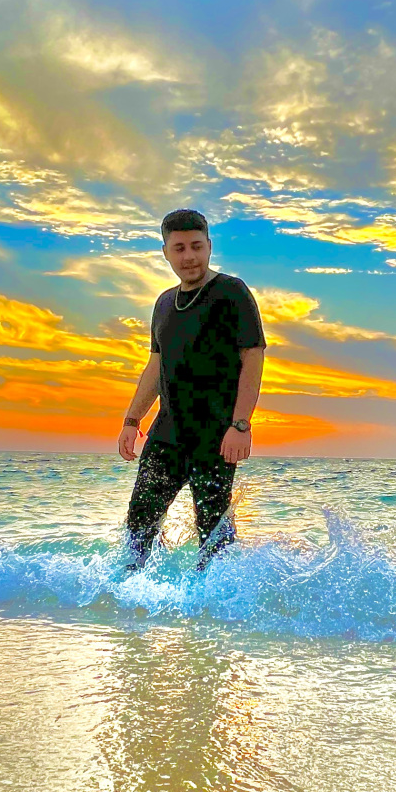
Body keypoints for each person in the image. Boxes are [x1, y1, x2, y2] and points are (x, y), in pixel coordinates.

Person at [118, 210, 266, 569]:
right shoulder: (164, 303)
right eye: (180, 248)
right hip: (166, 434)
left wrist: (241, 424)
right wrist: (132, 419)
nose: (189, 257)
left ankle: (216, 600)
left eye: (197, 246)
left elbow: (253, 356)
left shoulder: (231, 292)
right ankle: (129, 595)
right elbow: (156, 366)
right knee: (138, 526)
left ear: (209, 246)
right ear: (166, 253)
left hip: (215, 437)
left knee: (214, 537)